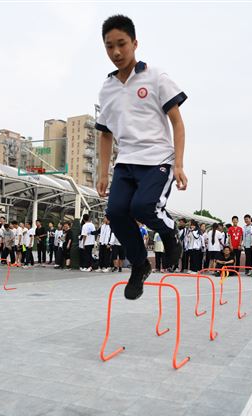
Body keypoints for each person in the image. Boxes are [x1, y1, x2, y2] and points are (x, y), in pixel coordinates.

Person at [95, 15, 187, 299]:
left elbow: (177, 122)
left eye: (122, 44)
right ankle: (138, 265)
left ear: (135, 43)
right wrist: (102, 173)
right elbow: (105, 134)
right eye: (109, 47)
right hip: (126, 162)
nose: (116, 53)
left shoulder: (156, 77)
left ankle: (170, 233)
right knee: (116, 213)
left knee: (143, 208)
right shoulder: (107, 88)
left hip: (158, 159)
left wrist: (179, 164)